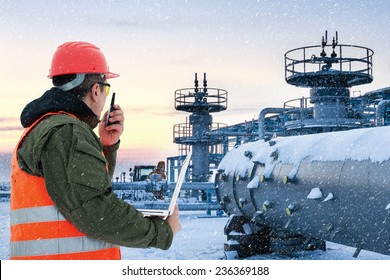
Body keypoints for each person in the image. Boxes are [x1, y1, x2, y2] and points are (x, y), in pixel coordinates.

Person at [10, 41, 181, 260]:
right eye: (106, 88)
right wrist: (161, 232)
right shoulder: (66, 133)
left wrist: (106, 146)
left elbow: (84, 193)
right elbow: (97, 212)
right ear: (96, 90)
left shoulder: (51, 128)